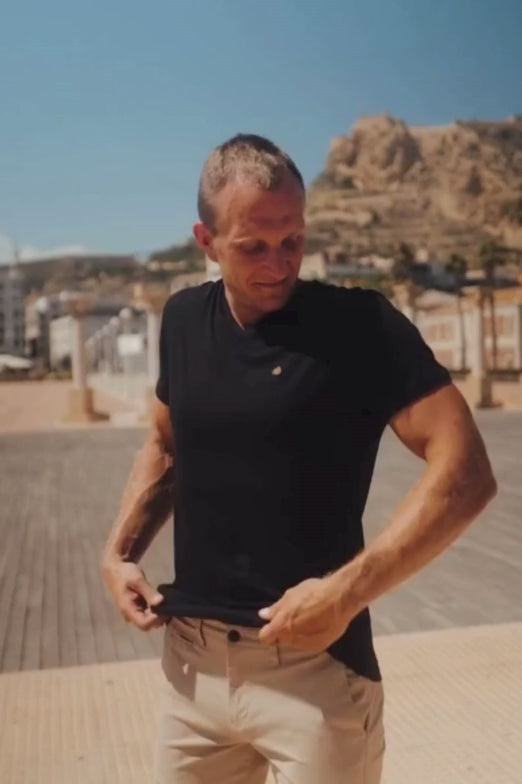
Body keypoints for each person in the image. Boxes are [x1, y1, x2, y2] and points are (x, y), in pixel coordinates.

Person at [102, 134, 496, 784]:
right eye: (253, 246)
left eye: (293, 240)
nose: (279, 262)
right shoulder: (181, 320)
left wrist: (346, 593)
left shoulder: (361, 327)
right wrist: (119, 554)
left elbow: (467, 474)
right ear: (206, 241)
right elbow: (167, 444)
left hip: (315, 676)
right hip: (190, 677)